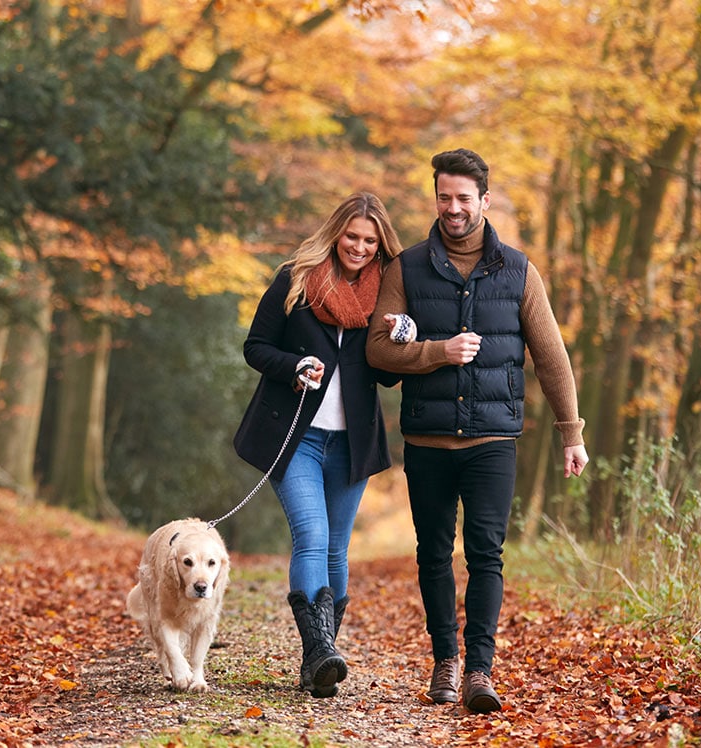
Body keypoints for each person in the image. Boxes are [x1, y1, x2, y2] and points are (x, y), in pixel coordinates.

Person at [366, 148, 590, 713]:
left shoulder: (518, 271)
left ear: (484, 201)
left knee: (487, 554)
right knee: (434, 554)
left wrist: (572, 432)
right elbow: (376, 350)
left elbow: (551, 356)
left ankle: (480, 672)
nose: (454, 208)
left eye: (464, 198)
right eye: (444, 197)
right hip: (427, 440)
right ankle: (445, 662)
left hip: (493, 440)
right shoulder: (407, 269)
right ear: (436, 198)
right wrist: (437, 352)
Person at [234, 192, 404, 698]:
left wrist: (398, 337)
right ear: (336, 233)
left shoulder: (387, 295)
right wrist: (293, 367)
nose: (359, 247)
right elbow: (255, 346)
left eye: (370, 241)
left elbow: (389, 379)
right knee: (311, 534)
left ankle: (321, 658)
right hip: (297, 437)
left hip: (351, 443)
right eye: (352, 236)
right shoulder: (296, 279)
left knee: (336, 547)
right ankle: (319, 652)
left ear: (380, 246)